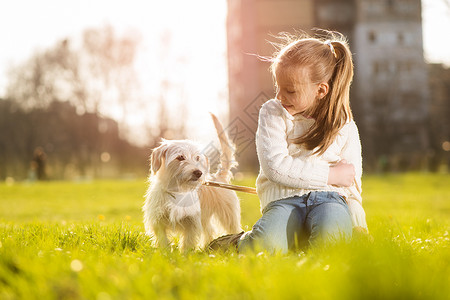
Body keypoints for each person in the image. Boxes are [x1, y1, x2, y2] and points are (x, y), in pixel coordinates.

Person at [208, 31, 368, 253]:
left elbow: (352, 183)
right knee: (266, 248)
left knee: (333, 248)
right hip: (284, 200)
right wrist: (331, 176)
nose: (280, 96)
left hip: (330, 200)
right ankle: (237, 242)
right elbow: (276, 168)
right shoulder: (272, 113)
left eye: (290, 91)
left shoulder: (344, 124)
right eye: (278, 87)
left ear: (320, 90)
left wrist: (359, 225)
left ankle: (302, 240)